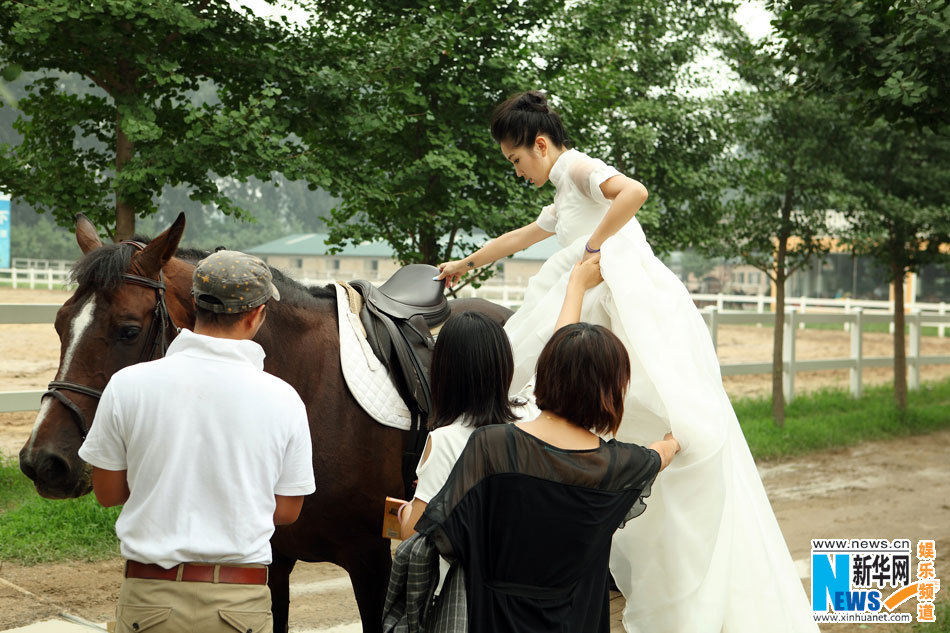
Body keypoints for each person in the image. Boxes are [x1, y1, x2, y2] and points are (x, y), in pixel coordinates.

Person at [437, 90, 817, 632]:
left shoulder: (577, 168)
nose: (517, 171)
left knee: (541, 372)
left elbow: (633, 191)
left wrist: (593, 247)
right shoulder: (562, 187)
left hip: (615, 296)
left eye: (517, 160)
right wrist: (466, 263)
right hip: (596, 291)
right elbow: (522, 237)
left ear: (541, 145)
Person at [78, 250, 315, 633]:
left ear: (194, 303)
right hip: (239, 605)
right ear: (257, 314)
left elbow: (107, 493)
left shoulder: (127, 385)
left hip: (148, 600)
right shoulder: (284, 398)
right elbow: (287, 511)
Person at [414, 318, 680, 633]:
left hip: (496, 620)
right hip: (577, 620)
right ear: (612, 390)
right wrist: (673, 441)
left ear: (547, 375)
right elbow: (658, 455)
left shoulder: (493, 445)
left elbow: (439, 532)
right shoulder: (621, 464)